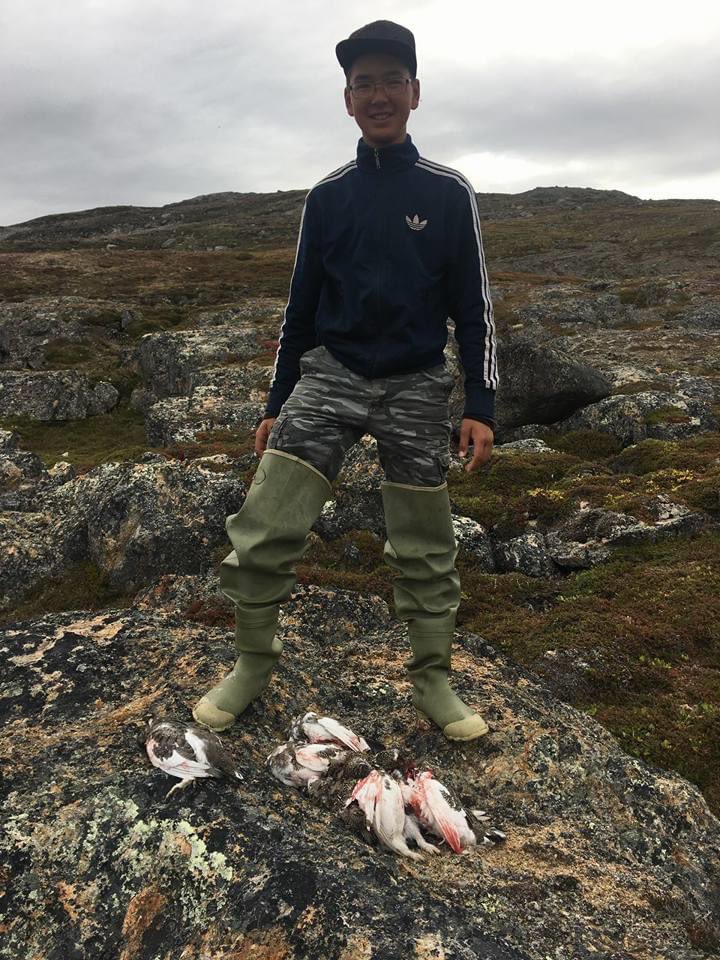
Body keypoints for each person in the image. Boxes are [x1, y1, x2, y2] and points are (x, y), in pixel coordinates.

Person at [192, 20, 499, 741]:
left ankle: (432, 680)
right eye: (365, 82)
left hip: (418, 385)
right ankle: (251, 664)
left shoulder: (449, 193)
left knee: (425, 545)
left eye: (393, 79)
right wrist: (276, 403)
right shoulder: (327, 197)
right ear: (347, 99)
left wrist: (479, 405)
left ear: (415, 93)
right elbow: (299, 308)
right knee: (265, 526)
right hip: (331, 377)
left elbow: (475, 307)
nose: (379, 93)